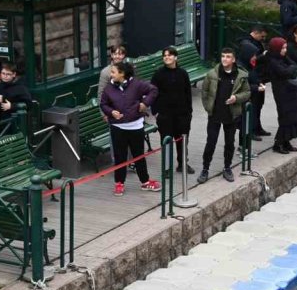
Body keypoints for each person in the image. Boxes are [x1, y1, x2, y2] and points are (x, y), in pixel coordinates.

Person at [100, 61, 161, 196]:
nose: (111, 75)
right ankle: (119, 183)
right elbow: (103, 104)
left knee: (139, 155)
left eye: (113, 72)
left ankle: (145, 182)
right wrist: (111, 112)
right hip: (117, 127)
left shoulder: (137, 84)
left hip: (135, 126)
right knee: (119, 156)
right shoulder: (109, 88)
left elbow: (153, 90)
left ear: (122, 74)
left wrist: (145, 104)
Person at [198, 48, 251, 184]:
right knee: (211, 142)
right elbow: (204, 92)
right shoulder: (212, 74)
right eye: (223, 56)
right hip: (215, 114)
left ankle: (227, 167)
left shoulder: (241, 76)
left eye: (228, 57)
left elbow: (247, 93)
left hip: (231, 114)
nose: (224, 59)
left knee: (229, 143)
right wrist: (208, 107)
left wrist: (236, 98)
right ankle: (205, 169)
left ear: (233, 59)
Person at [151, 46, 194, 174]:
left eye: (169, 55)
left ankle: (182, 164)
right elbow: (152, 93)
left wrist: (189, 112)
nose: (167, 57)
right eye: (165, 55)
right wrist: (156, 112)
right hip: (165, 115)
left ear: (176, 57)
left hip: (182, 114)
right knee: (167, 141)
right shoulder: (158, 74)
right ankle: (167, 168)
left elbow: (188, 93)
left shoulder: (183, 73)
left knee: (182, 141)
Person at [261, 37, 297, 154]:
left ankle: (286, 141)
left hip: (290, 91)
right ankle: (278, 143)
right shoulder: (272, 61)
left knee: (295, 115)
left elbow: (295, 66)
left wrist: (290, 69)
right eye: (283, 48)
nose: (285, 50)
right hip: (282, 93)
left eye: (285, 47)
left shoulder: (283, 58)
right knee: (286, 117)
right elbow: (285, 72)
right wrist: (291, 70)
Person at [236, 26, 270, 139]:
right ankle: (250, 131)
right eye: (262, 36)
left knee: (258, 104)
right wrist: (262, 56)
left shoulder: (254, 44)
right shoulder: (247, 45)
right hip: (254, 81)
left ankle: (256, 127)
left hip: (258, 78)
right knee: (253, 106)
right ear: (255, 33)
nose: (263, 39)